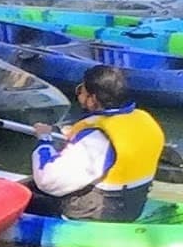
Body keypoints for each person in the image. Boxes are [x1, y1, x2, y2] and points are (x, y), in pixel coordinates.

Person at [29, 66, 164, 223]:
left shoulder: (97, 138)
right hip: (133, 205)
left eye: (82, 91)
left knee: (30, 191)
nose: (79, 94)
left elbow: (48, 180)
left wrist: (44, 140)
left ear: (93, 99)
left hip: (98, 214)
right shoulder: (144, 119)